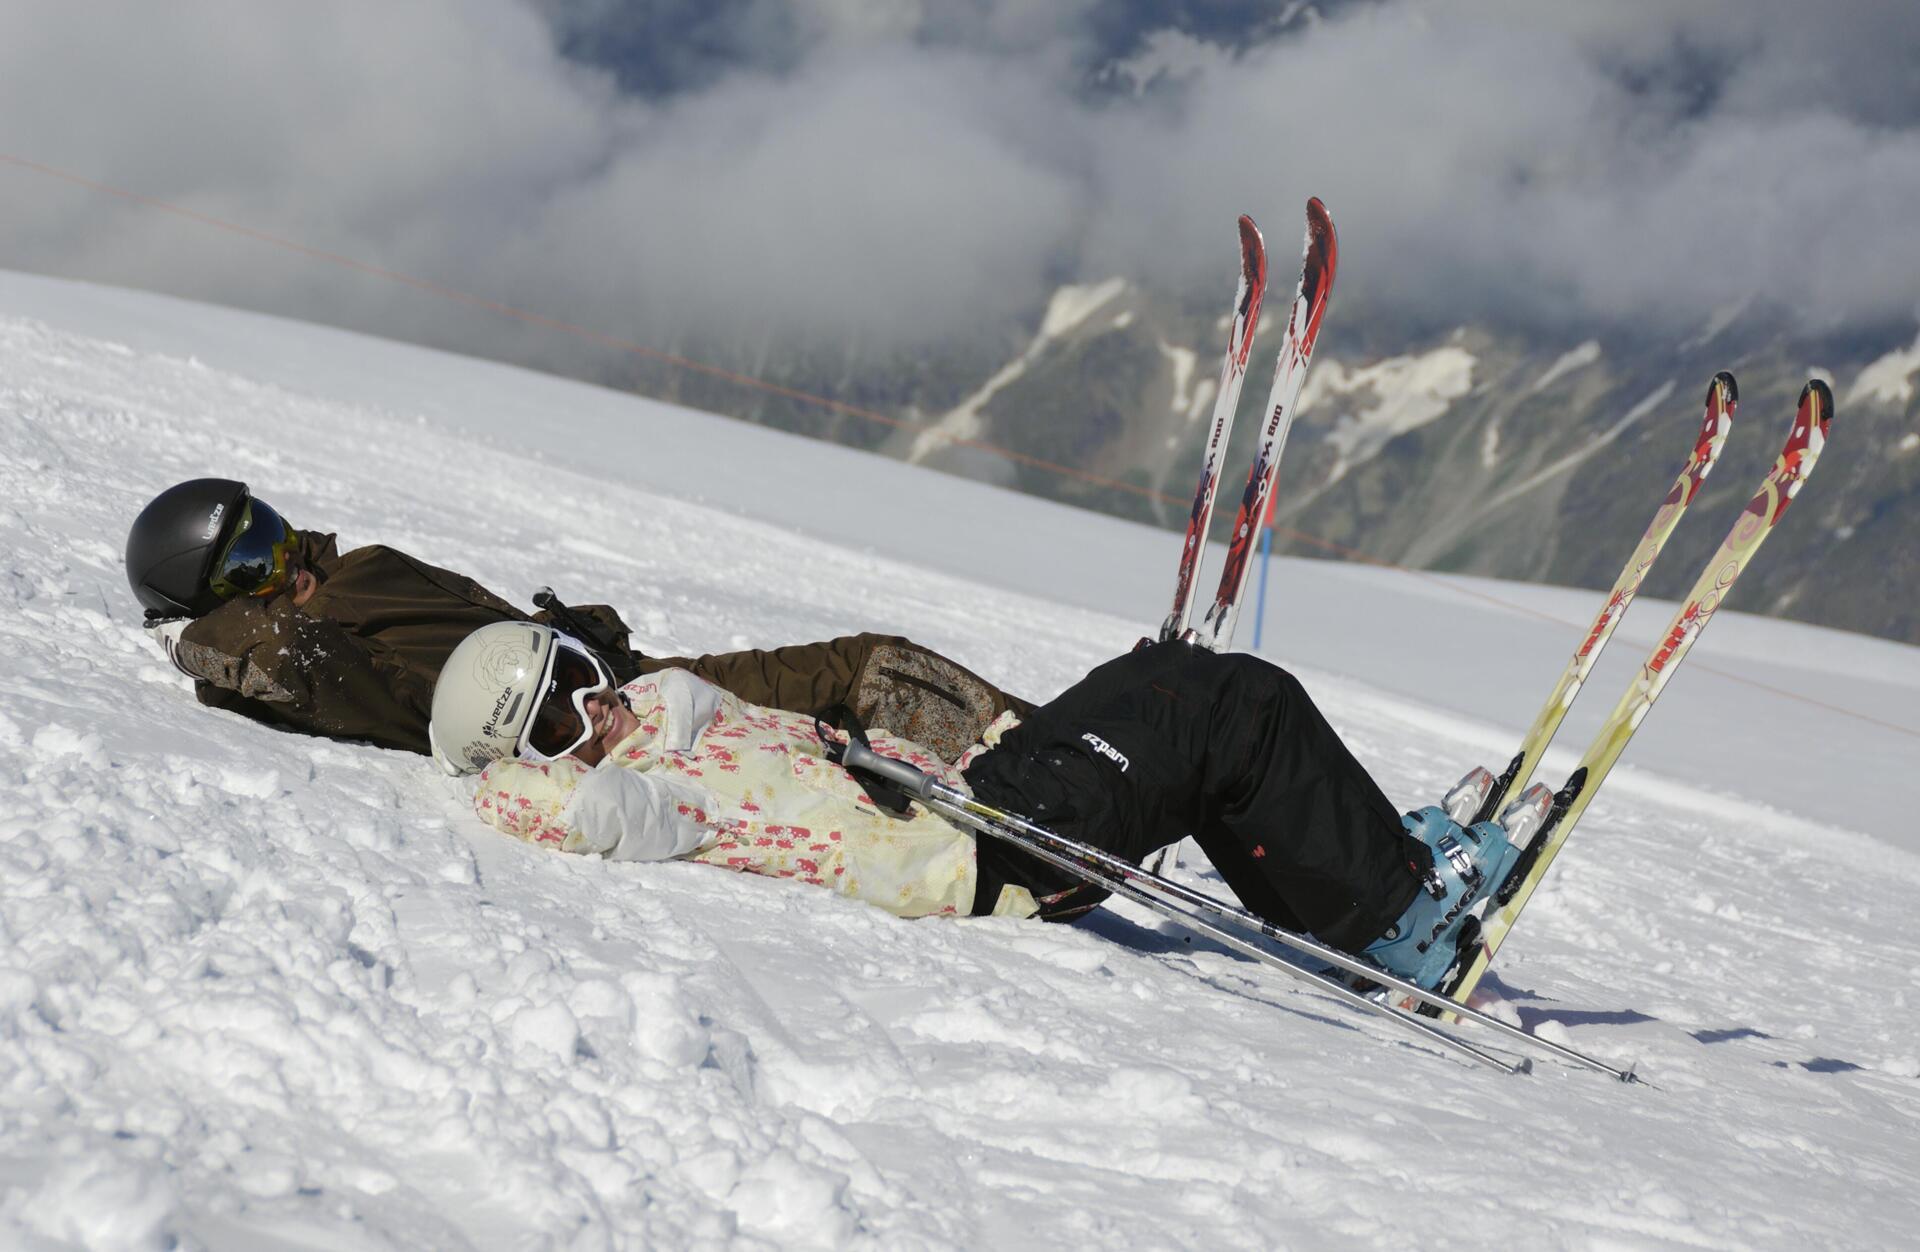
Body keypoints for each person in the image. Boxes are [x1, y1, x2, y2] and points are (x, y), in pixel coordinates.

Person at [430, 621, 1520, 989]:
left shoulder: (686, 716)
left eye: (584, 673)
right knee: (1240, 704)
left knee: (1172, 673)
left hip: (986, 794)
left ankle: (1352, 877)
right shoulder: (646, 798)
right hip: (998, 854)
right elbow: (550, 807)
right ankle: (1399, 921)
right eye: (560, 722)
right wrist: (507, 765)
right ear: (541, 758)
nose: (597, 708)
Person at [125, 478, 1028, 758]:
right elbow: (262, 655)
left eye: (276, 534)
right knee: (854, 676)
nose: (288, 567)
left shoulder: (351, 577)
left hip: (609, 681)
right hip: (591, 726)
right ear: (221, 603)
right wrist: (182, 632)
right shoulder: (306, 649)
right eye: (254, 565)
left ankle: (1037, 749)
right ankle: (1044, 771)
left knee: (870, 668)